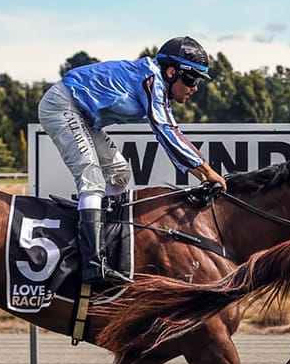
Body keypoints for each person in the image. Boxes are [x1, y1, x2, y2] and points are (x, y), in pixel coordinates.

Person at [37, 35, 228, 284]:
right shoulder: (152, 80)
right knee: (92, 180)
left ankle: (103, 240)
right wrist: (207, 172)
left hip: (82, 114)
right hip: (61, 106)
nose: (194, 88)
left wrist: (204, 173)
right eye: (191, 79)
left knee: (120, 174)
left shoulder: (159, 87)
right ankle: (93, 262)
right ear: (171, 72)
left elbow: (172, 131)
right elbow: (166, 133)